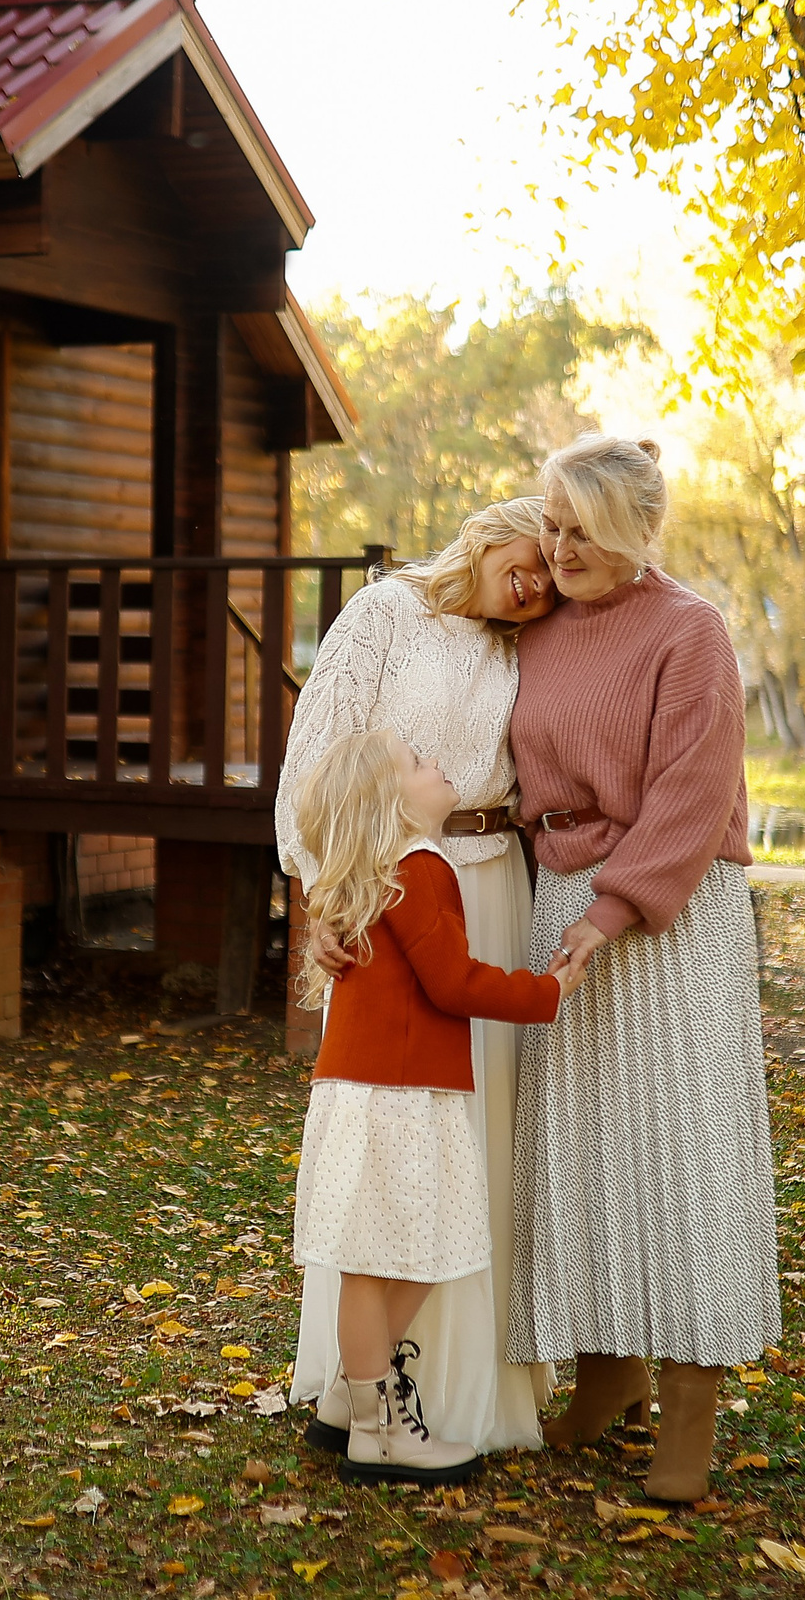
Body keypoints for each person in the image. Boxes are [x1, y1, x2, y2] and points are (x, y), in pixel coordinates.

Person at [505, 433, 781, 1503]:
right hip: (561, 900)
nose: (557, 544)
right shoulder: (538, 629)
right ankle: (604, 1372)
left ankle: (690, 1405)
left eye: (579, 526)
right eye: (550, 521)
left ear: (633, 529)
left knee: (682, 1155)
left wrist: (614, 907)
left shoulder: (689, 630)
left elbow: (694, 789)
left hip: (668, 919)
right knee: (577, 1150)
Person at [275, 498, 559, 1455]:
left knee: (471, 1146)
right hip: (388, 885)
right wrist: (322, 899)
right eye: (531, 560)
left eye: (555, 575)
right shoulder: (387, 613)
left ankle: (459, 1392)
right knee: (394, 1154)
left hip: (492, 889)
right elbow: (318, 762)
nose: (539, 584)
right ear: (494, 531)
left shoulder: (537, 640)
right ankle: (364, 1395)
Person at [287, 728, 586, 1484]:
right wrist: (545, 991)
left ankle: (352, 1401)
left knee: (408, 1257)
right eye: (418, 765)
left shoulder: (373, 874)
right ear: (390, 803)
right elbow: (452, 982)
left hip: (384, 1090)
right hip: (396, 1096)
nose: (439, 766)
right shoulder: (417, 869)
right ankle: (379, 1430)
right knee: (377, 1262)